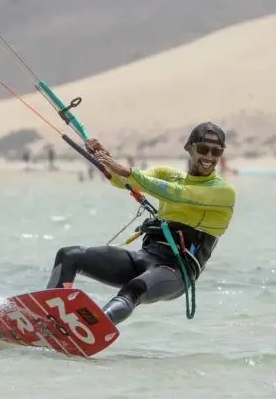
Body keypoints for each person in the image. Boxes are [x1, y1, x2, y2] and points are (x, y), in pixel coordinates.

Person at [45, 122, 237, 325]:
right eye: (203, 149)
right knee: (69, 256)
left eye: (216, 152)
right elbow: (125, 181)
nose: (209, 157)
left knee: (134, 288)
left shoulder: (223, 192)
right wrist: (105, 159)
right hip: (146, 257)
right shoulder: (168, 175)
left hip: (178, 271)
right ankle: (50, 317)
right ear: (189, 147)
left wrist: (126, 171)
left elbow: (178, 194)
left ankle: (94, 328)